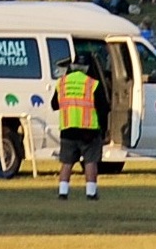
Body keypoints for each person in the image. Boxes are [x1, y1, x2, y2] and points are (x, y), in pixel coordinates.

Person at [53, 49, 110, 199]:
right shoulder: (93, 84)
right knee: (91, 161)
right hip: (89, 130)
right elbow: (103, 108)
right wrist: (104, 130)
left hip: (67, 129)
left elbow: (54, 104)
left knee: (67, 163)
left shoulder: (62, 83)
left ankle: (62, 192)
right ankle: (91, 193)